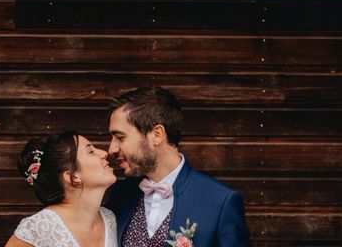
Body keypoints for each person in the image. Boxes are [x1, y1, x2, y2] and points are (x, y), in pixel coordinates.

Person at [106, 87, 252, 247]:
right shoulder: (119, 195)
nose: (112, 148)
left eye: (120, 137)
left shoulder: (220, 202)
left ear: (157, 134)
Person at [6, 131, 118, 247]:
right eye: (90, 152)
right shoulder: (39, 228)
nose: (104, 153)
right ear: (73, 177)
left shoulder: (109, 219)